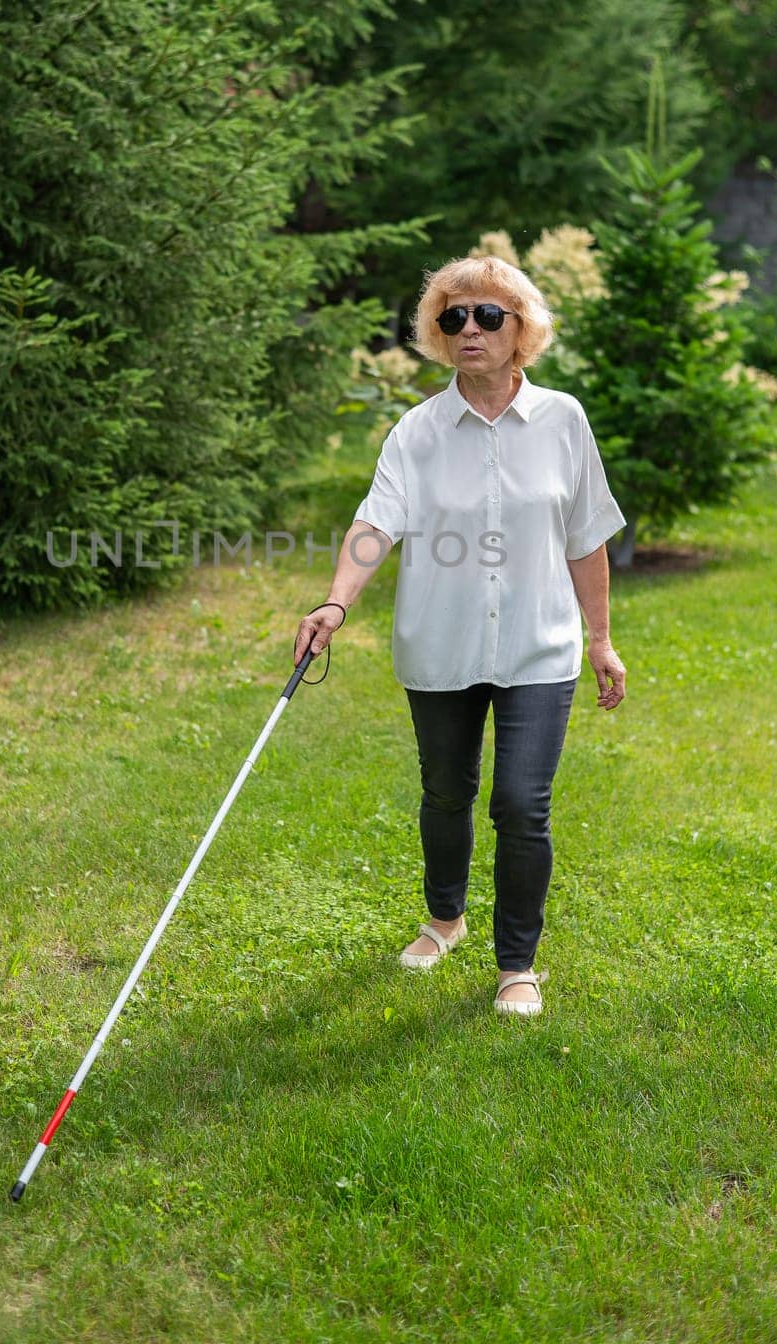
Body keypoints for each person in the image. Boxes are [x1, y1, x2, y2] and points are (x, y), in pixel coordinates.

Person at [293, 255, 627, 1017]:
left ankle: (518, 965)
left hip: (540, 645)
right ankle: (446, 918)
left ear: (522, 331)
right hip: (440, 643)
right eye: (452, 317)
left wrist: (600, 640)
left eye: (486, 316)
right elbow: (377, 523)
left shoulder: (563, 420)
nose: (468, 330)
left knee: (521, 802)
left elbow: (585, 535)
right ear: (438, 333)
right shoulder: (416, 432)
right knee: (446, 792)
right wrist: (336, 604)